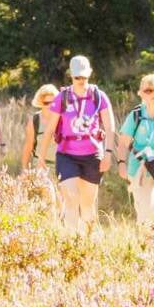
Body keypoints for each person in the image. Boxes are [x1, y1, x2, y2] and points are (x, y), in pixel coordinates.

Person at [49, 56, 115, 233]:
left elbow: (110, 127)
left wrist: (108, 154)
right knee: (71, 199)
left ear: (90, 74)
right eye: (77, 77)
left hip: (92, 154)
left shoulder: (98, 97)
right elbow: (49, 130)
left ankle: (89, 243)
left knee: (87, 205)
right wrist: (40, 158)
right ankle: (72, 244)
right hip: (66, 154)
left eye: (84, 77)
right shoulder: (61, 98)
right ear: (71, 76)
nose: (81, 81)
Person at [117, 73, 154, 232]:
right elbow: (123, 142)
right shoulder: (136, 115)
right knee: (145, 213)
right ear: (140, 93)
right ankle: (147, 248)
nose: (153, 94)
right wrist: (121, 164)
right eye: (148, 90)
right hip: (139, 168)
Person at [20, 84, 61, 213]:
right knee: (49, 198)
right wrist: (25, 169)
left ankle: (63, 228)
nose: (50, 105)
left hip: (62, 165)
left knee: (62, 201)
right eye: (46, 102)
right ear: (40, 103)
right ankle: (51, 226)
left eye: (53, 102)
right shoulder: (35, 120)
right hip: (41, 165)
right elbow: (28, 145)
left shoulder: (62, 118)